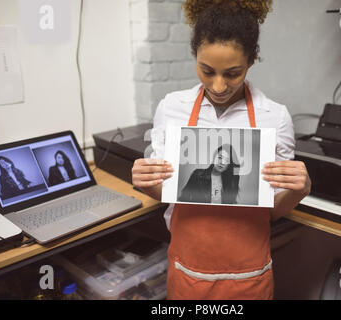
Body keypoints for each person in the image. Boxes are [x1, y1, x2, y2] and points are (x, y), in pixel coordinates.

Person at [131, 0, 311, 300]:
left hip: (249, 278)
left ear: (252, 60)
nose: (218, 86)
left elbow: (273, 211)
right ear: (195, 58)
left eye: (232, 73)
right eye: (207, 70)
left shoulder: (274, 116)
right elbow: (169, 194)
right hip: (187, 273)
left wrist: (299, 189)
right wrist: (146, 183)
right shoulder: (172, 108)